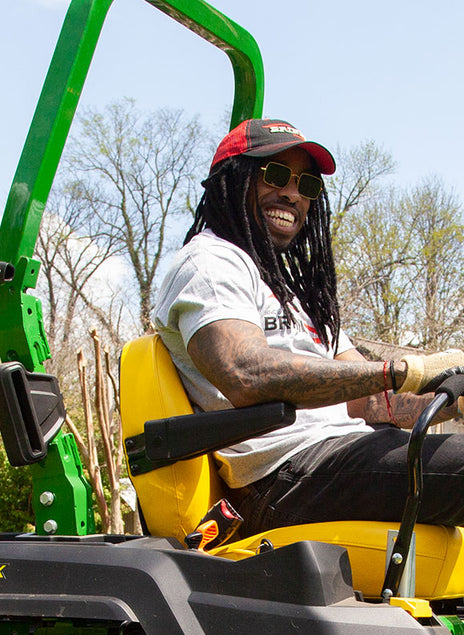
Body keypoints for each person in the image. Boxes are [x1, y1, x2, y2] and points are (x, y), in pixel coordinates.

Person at [152, 118, 464, 537]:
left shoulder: (296, 294)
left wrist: (451, 398)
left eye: (308, 186)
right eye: (276, 174)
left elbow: (368, 403)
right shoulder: (210, 264)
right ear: (233, 180)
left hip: (342, 454)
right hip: (282, 476)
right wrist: (398, 370)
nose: (292, 194)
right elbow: (246, 373)